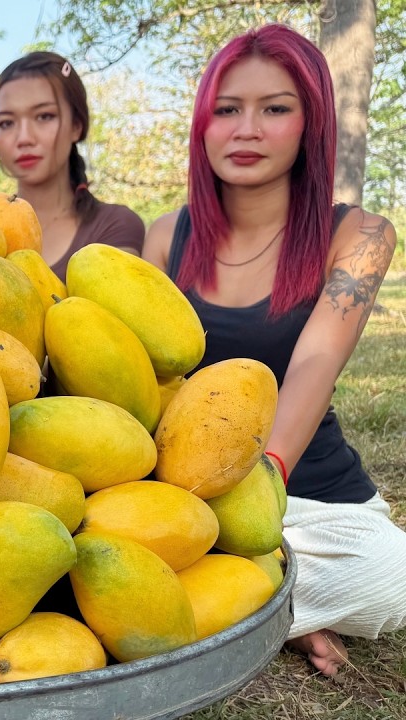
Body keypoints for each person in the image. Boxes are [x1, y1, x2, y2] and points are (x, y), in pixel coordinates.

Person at [143, 24, 405, 678]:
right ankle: (266, 606)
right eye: (228, 109)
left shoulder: (363, 235)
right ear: (203, 124)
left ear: (311, 122)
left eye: (276, 108)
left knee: (390, 580)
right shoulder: (162, 237)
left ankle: (244, 600)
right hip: (182, 490)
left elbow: (317, 360)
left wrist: (265, 485)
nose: (247, 129)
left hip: (307, 498)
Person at [0, 51, 145, 279]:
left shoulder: (114, 227)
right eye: (6, 123)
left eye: (44, 116)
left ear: (76, 126)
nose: (24, 137)